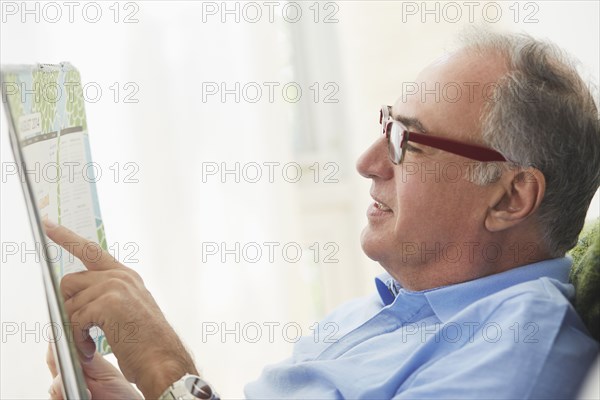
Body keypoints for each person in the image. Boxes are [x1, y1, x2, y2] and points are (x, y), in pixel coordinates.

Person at [46, 29, 600, 399]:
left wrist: (165, 372)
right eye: (388, 125)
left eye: (410, 141)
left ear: (510, 197)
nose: (367, 162)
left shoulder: (518, 349)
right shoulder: (383, 310)